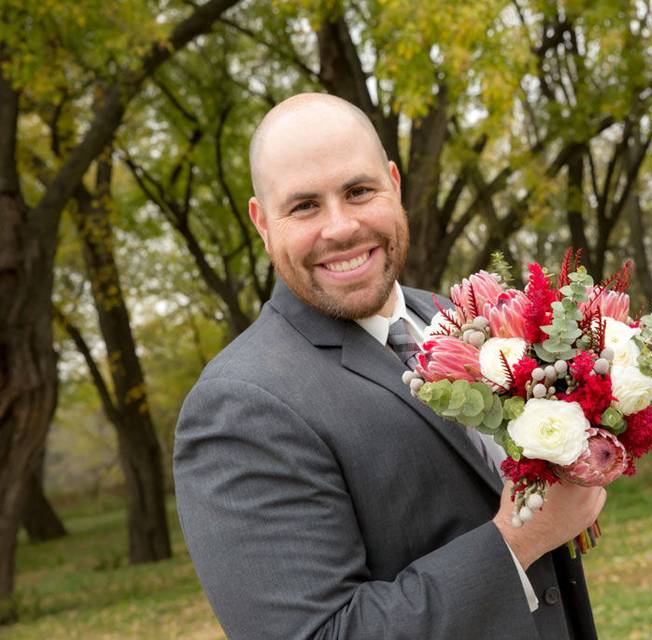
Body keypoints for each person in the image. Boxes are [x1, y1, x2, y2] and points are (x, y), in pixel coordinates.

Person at [174, 92, 606, 639]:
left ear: (394, 185)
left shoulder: (461, 318)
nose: (340, 227)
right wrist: (519, 541)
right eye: (304, 205)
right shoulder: (238, 406)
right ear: (262, 222)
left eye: (359, 191)